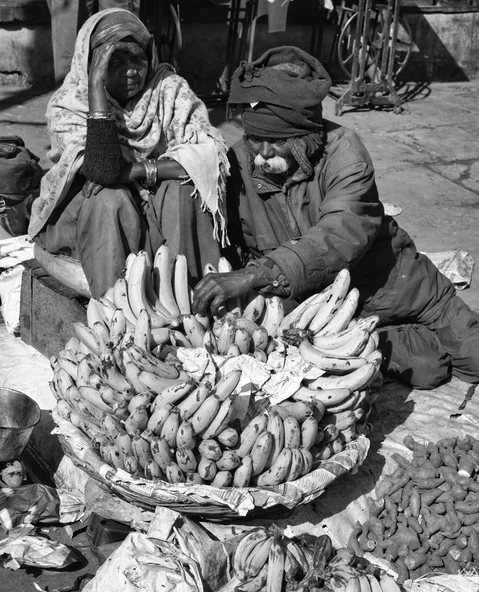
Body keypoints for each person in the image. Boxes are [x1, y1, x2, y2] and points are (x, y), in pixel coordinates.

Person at [192, 45, 479, 390]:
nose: (261, 155)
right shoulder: (239, 161)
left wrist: (257, 273)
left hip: (397, 289)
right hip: (332, 315)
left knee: (474, 356)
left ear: (304, 136)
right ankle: (384, 341)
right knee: (428, 371)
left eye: (274, 142)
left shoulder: (345, 153)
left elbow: (338, 236)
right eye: (254, 140)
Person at [29, 8, 229, 299]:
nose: (132, 70)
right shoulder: (70, 104)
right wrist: (97, 88)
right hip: (90, 221)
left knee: (182, 193)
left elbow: (209, 156)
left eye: (138, 57)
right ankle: (118, 310)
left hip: (152, 211)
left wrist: (137, 170)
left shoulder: (168, 90)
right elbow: (103, 172)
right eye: (115, 60)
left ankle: (193, 297)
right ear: (90, 63)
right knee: (111, 197)